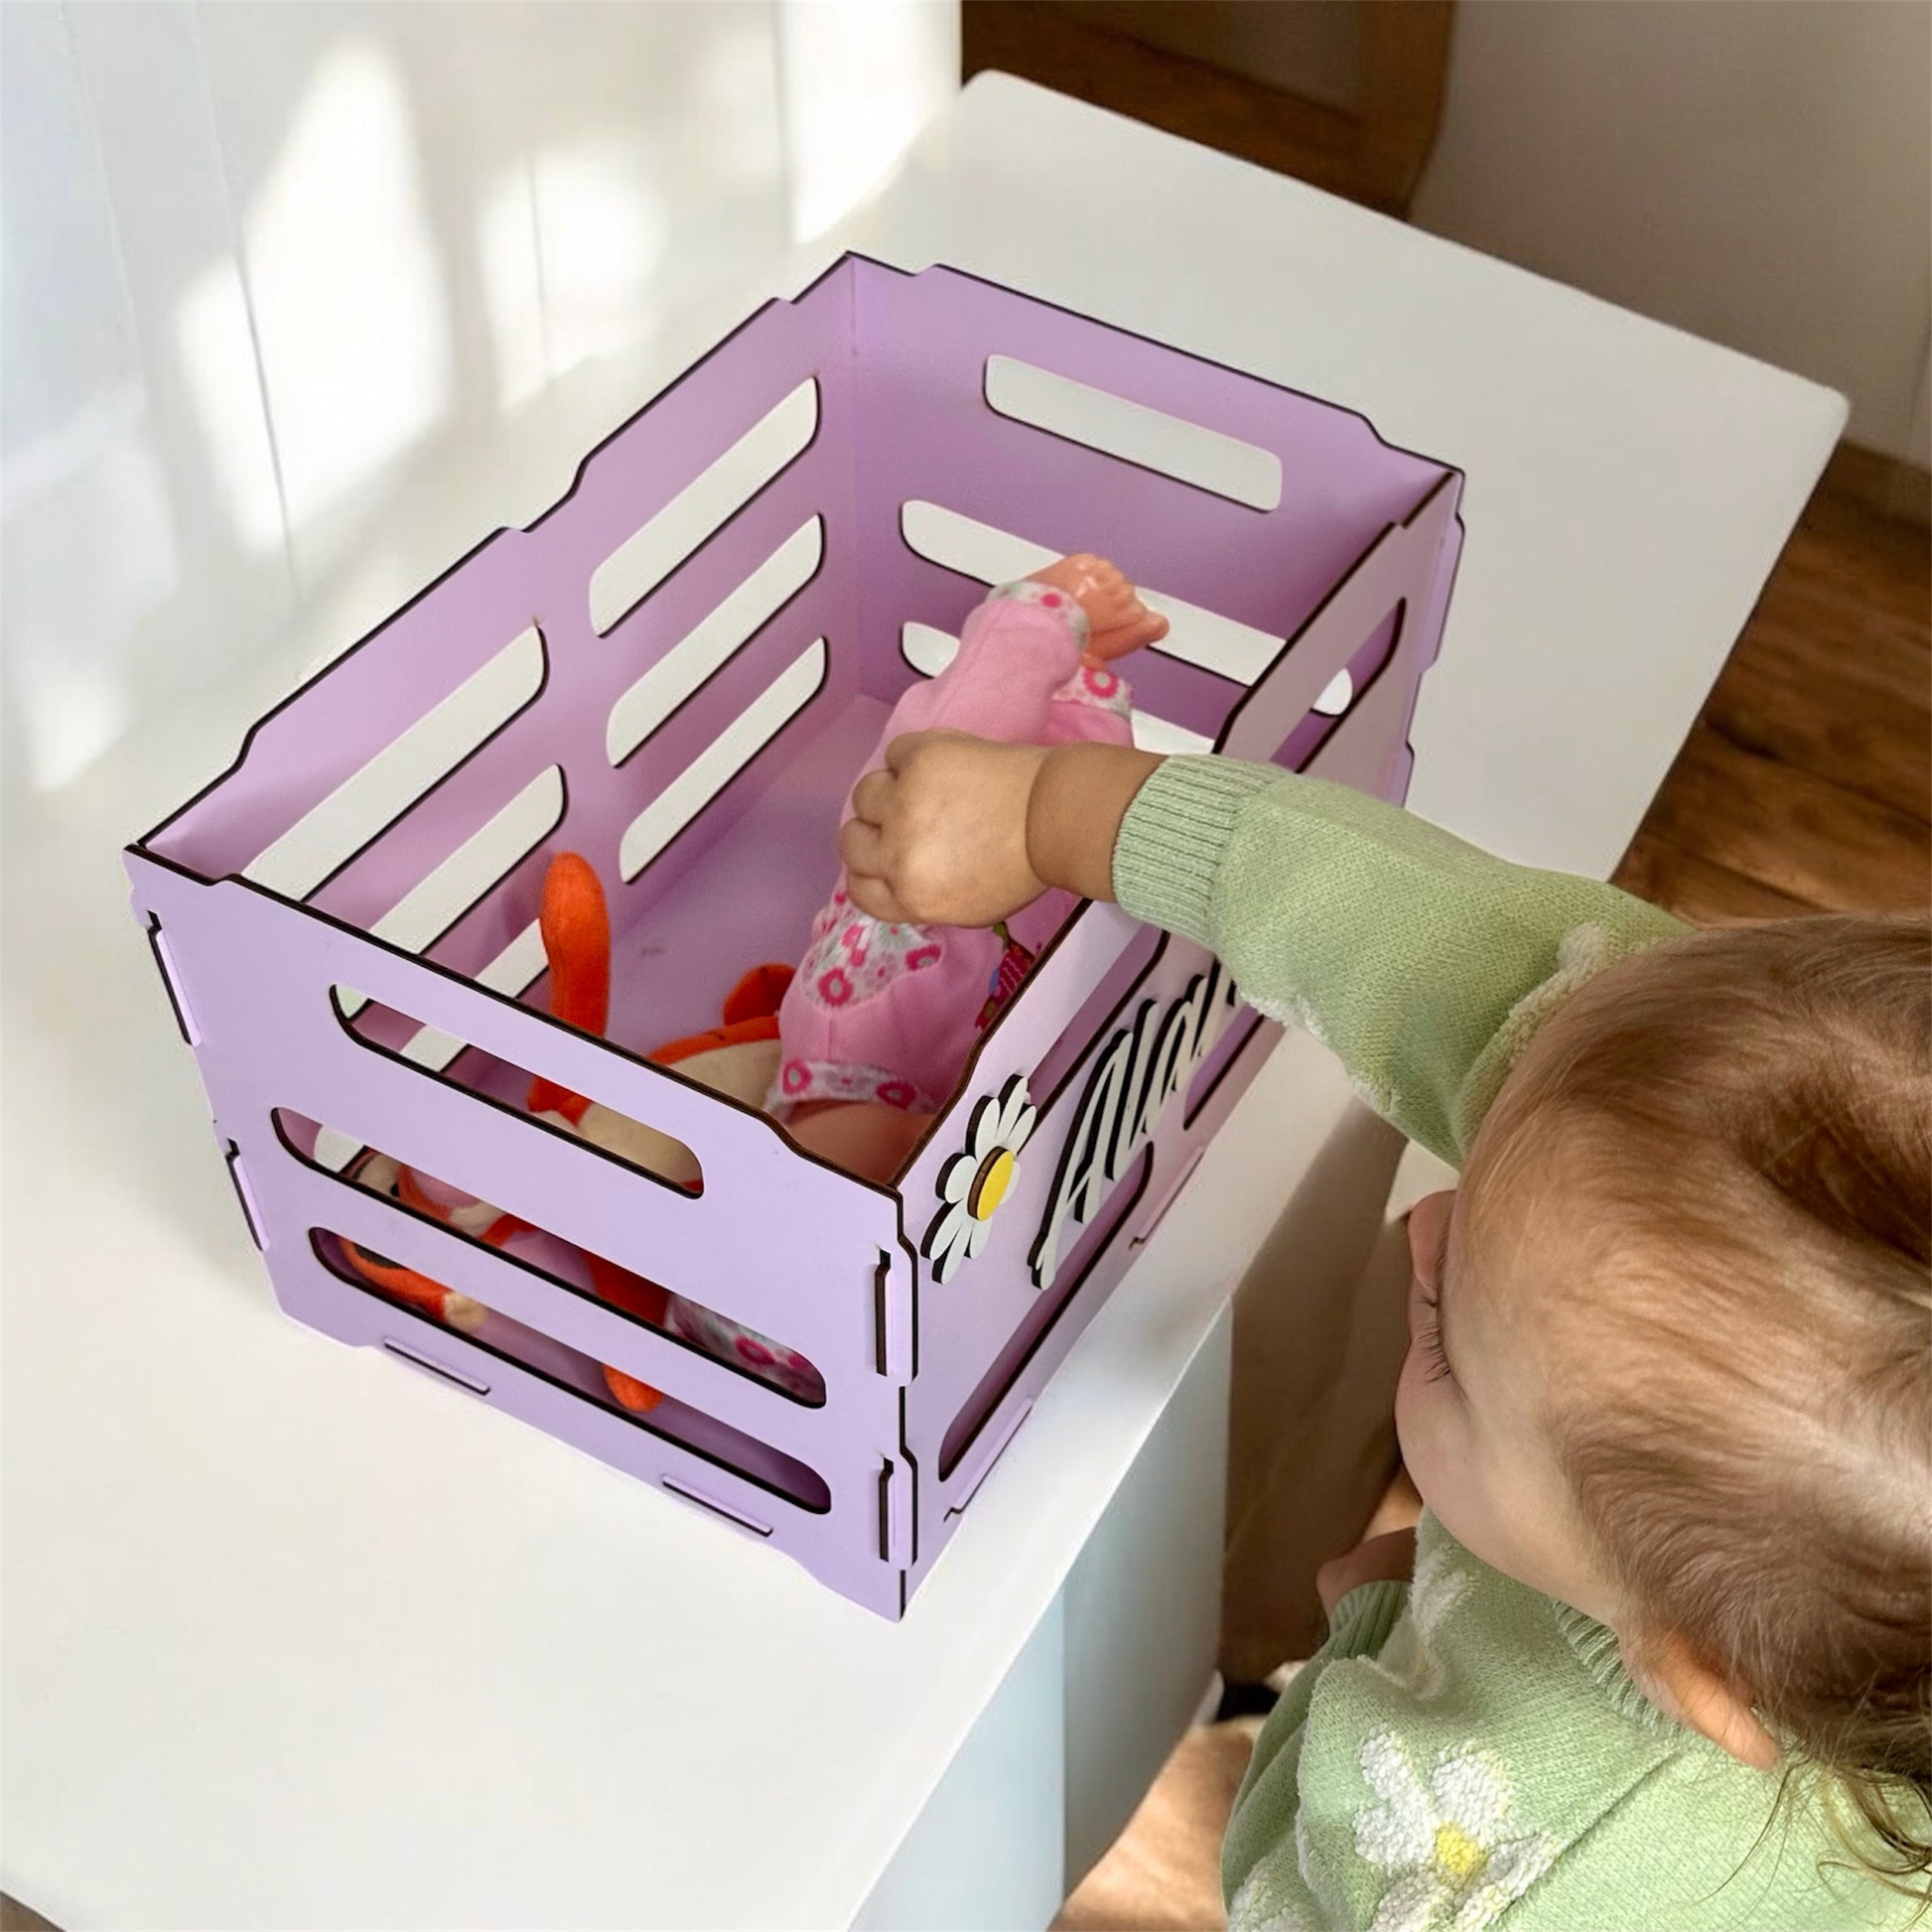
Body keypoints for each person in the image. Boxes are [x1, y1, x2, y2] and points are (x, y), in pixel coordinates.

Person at [838, 725, 1931, 1929]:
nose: (1425, 1227)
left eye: (1448, 1352)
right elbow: (1413, 928)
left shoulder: (1535, 1872)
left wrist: (1360, 1643)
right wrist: (1046, 806)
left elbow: (1277, 1888)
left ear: (1682, 1670)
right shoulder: (1685, 1086)